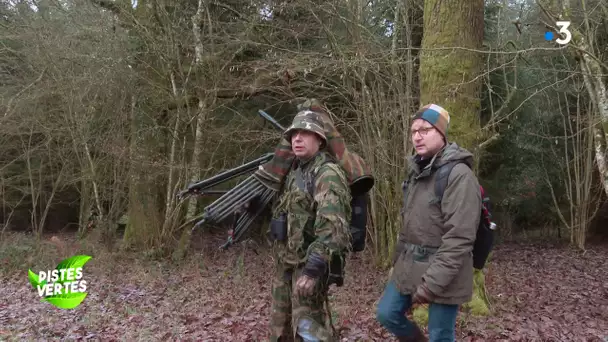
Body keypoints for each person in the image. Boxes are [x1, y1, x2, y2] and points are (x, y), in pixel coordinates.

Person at [376, 104, 482, 342]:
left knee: (440, 335)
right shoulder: (416, 172)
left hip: (447, 269)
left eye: (425, 129)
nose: (417, 136)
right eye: (414, 131)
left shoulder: (459, 176)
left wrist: (431, 284)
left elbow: (460, 238)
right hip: (410, 264)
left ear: (442, 134)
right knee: (387, 314)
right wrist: (396, 263)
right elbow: (407, 226)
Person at [268, 109, 352, 342]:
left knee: (309, 332)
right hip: (286, 266)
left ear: (319, 139)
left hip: (308, 268)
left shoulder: (327, 174)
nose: (297, 138)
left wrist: (313, 270)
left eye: (305, 133)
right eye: (294, 134)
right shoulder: (293, 171)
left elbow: (333, 229)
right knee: (280, 332)